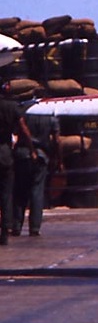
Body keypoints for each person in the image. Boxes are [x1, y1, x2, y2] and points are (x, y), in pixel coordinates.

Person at [0, 80, 36, 245]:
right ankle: (5, 230)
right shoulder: (12, 107)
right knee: (6, 194)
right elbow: (24, 129)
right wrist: (31, 148)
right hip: (5, 152)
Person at [12, 118, 50, 237]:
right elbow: (56, 139)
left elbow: (17, 131)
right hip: (41, 155)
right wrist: (58, 159)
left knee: (20, 192)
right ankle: (34, 227)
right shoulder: (50, 117)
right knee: (37, 192)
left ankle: (16, 226)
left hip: (22, 154)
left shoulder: (24, 115)